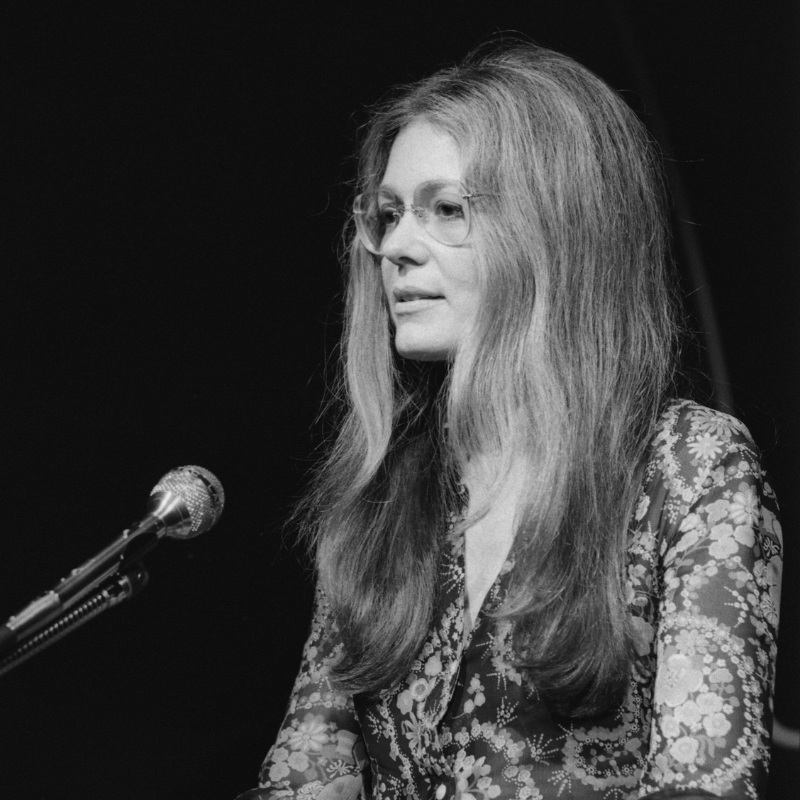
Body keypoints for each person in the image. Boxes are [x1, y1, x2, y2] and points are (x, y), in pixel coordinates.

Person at [237, 43, 782, 800]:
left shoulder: (689, 467)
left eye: (446, 209)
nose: (394, 247)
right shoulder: (389, 490)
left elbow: (707, 787)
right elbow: (306, 772)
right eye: (388, 214)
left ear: (557, 227)